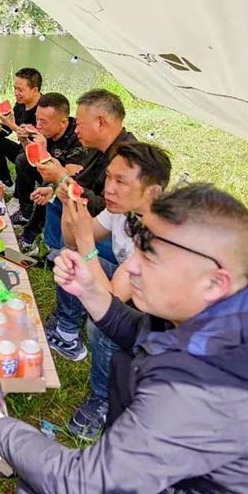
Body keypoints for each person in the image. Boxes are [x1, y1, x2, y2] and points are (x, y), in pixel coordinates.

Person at [0, 184, 248, 494]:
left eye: (150, 258)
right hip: (207, 481)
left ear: (215, 282)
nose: (130, 268)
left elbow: (84, 488)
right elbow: (148, 335)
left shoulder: (198, 389)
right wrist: (92, 293)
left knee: (38, 493)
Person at [58, 142, 171, 438]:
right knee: (70, 260)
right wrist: (69, 207)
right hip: (129, 287)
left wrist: (85, 242)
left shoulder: (159, 233)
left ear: (152, 193)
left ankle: (104, 401)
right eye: (109, 177)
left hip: (165, 324)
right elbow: (71, 242)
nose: (108, 188)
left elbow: (110, 300)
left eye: (121, 181)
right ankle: (66, 331)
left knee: (101, 329)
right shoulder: (122, 210)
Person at [19, 88, 135, 258]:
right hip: (96, 218)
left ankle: (68, 256)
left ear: (100, 123)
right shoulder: (98, 148)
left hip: (117, 237)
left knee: (63, 190)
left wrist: (62, 177)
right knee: (57, 194)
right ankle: (55, 253)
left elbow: (105, 209)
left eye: (79, 124)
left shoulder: (128, 160)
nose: (76, 131)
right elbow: (81, 181)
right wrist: (55, 187)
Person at [8, 92, 83, 229]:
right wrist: (24, 141)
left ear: (63, 123)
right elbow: (32, 157)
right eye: (37, 119)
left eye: (43, 121)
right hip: (49, 171)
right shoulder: (47, 130)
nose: (38, 125)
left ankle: (31, 233)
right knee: (22, 160)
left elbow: (68, 177)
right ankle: (25, 211)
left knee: (48, 184)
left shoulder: (77, 138)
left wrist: (44, 151)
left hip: (68, 183)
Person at [0, 67, 42, 190]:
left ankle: (20, 196)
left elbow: (38, 141)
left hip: (39, 155)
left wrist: (13, 126)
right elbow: (6, 132)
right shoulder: (20, 105)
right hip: (22, 149)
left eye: (20, 90)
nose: (16, 93)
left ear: (35, 90)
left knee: (22, 156)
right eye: (15, 88)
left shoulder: (44, 109)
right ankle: (5, 181)